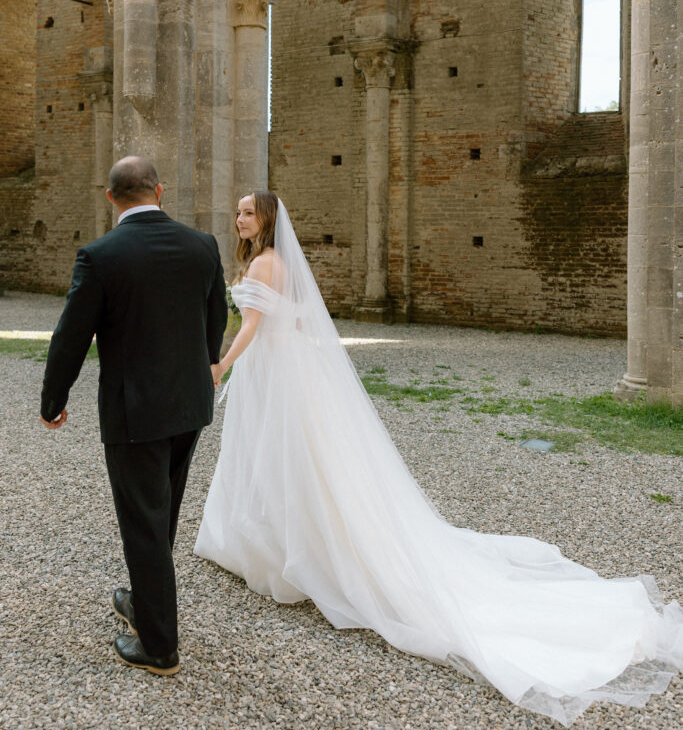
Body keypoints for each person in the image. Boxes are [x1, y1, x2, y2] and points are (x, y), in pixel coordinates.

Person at [195, 190, 682, 726]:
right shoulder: (277, 261)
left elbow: (252, 327)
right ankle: (276, 538)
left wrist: (221, 366)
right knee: (283, 457)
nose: (239, 219)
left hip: (272, 371)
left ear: (266, 220)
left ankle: (291, 548)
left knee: (283, 457)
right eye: (238, 212)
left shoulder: (266, 261)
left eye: (247, 212)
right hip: (281, 372)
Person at [41, 156, 227, 675]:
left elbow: (70, 337)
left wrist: (52, 401)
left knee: (144, 520)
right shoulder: (203, 245)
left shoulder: (100, 255)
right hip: (190, 403)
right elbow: (217, 316)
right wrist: (204, 366)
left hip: (134, 410)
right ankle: (146, 600)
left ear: (110, 198)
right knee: (159, 513)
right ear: (159, 191)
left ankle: (159, 647)